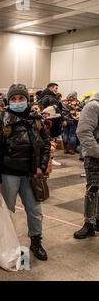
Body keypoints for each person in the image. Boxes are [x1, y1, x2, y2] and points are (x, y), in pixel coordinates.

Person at [0, 84, 51, 261]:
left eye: (21, 98)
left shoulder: (36, 120)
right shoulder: (0, 121)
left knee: (35, 210)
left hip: (31, 175)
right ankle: (5, 243)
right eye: (13, 99)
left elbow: (45, 145)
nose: (17, 102)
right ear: (8, 101)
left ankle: (36, 241)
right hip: (8, 175)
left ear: (26, 99)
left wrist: (41, 167)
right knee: (7, 211)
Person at [74, 91, 99, 239]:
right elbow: (83, 132)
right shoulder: (93, 106)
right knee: (93, 189)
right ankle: (88, 224)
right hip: (94, 157)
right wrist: (97, 152)